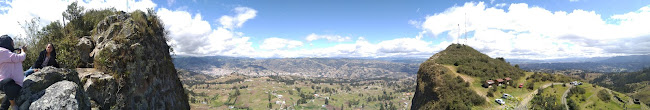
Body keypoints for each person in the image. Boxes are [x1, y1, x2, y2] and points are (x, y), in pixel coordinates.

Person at [0, 35, 25, 110]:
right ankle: (13, 105)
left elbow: (14, 60)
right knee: (9, 83)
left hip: (15, 84)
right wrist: (23, 52)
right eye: (12, 42)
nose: (13, 44)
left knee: (5, 104)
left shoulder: (6, 53)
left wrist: (18, 53)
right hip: (7, 82)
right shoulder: (2, 51)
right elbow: (21, 58)